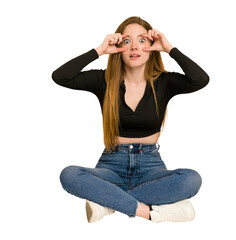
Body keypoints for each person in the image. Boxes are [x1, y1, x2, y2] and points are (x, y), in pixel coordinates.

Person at [52, 16, 209, 223]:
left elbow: (200, 79)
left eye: (142, 40)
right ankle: (150, 212)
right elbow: (61, 76)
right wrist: (100, 50)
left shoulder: (165, 82)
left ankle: (107, 203)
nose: (134, 46)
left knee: (192, 180)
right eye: (127, 41)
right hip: (111, 166)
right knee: (69, 175)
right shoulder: (104, 80)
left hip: (151, 167)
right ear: (119, 46)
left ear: (151, 46)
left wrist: (168, 48)